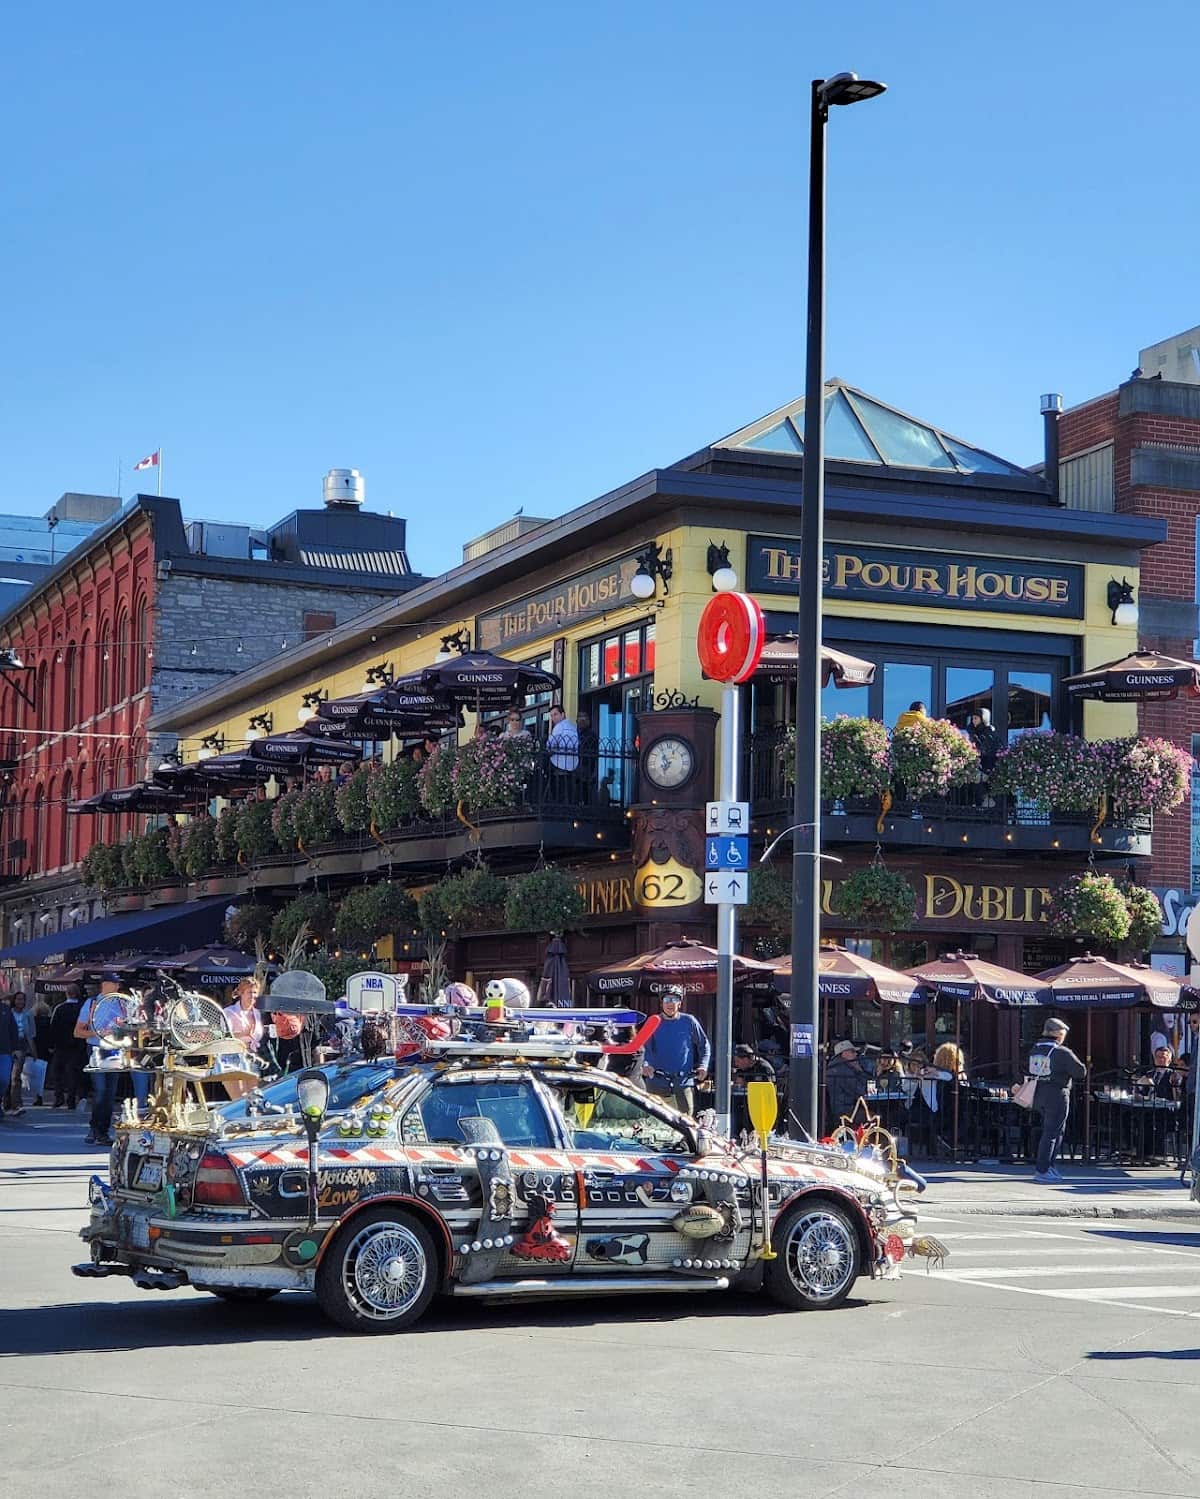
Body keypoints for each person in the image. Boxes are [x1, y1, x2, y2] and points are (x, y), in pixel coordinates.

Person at [75, 969, 148, 1146]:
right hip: (97, 1049)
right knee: (100, 1091)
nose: (118, 986)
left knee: (110, 1093)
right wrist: (99, 1033)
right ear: (105, 984)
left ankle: (102, 1131)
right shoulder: (92, 1003)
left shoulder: (122, 1004)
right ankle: (96, 1128)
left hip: (116, 1050)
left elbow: (131, 1026)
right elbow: (78, 1032)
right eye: (115, 983)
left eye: (118, 983)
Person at [1025, 1017, 1087, 1183]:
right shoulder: (1062, 1052)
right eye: (1063, 1034)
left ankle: (1048, 1167)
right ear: (1058, 1034)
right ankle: (1043, 1169)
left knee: (1050, 1131)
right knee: (1053, 1132)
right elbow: (1080, 1072)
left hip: (1038, 1094)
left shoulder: (1034, 1050)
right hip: (1057, 1095)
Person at [641, 989, 710, 1115]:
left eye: (674, 1000)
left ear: (680, 1003)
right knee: (655, 1119)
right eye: (667, 1000)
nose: (670, 1004)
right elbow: (643, 1047)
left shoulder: (689, 1021)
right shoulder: (653, 1021)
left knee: (686, 1120)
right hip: (657, 1080)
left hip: (683, 1081)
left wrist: (703, 1065)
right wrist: (646, 1064)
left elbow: (704, 1045)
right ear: (661, 1003)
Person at [49, 984, 85, 1110]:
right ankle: (71, 1099)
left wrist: (52, 1044)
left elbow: (53, 1027)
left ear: (67, 993)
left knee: (57, 1072)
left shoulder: (59, 1008)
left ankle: (59, 1097)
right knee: (73, 1073)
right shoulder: (82, 1009)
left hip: (61, 1046)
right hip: (77, 1045)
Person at [825, 1038, 870, 1127]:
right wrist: (859, 1070)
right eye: (852, 1052)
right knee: (874, 1117)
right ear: (844, 1053)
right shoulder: (844, 1070)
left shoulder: (834, 1066)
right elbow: (859, 1091)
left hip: (837, 1107)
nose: (856, 1054)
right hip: (844, 1109)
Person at [7, 992, 35, 1115]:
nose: (20, 1002)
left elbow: (31, 1033)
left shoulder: (28, 1014)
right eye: (18, 999)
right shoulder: (8, 1013)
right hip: (7, 1046)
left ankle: (16, 1104)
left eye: (23, 1000)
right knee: (6, 1076)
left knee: (15, 1076)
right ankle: (7, 1103)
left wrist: (33, 1051)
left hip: (21, 1045)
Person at [223, 976, 264, 1053]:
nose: (252, 996)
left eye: (254, 992)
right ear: (241, 993)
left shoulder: (257, 1013)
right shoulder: (228, 1012)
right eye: (249, 992)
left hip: (253, 1055)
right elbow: (223, 1037)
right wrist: (243, 1034)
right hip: (232, 1055)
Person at [545, 704, 580, 774]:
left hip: (559, 764)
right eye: (551, 716)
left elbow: (549, 745)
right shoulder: (573, 727)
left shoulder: (559, 726)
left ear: (562, 714)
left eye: (555, 714)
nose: (553, 718)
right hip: (573, 766)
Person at [0, 997, 16, 1124]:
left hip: (5, 1051)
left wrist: (15, 1049)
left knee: (4, 1079)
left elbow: (13, 1030)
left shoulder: (6, 1010)